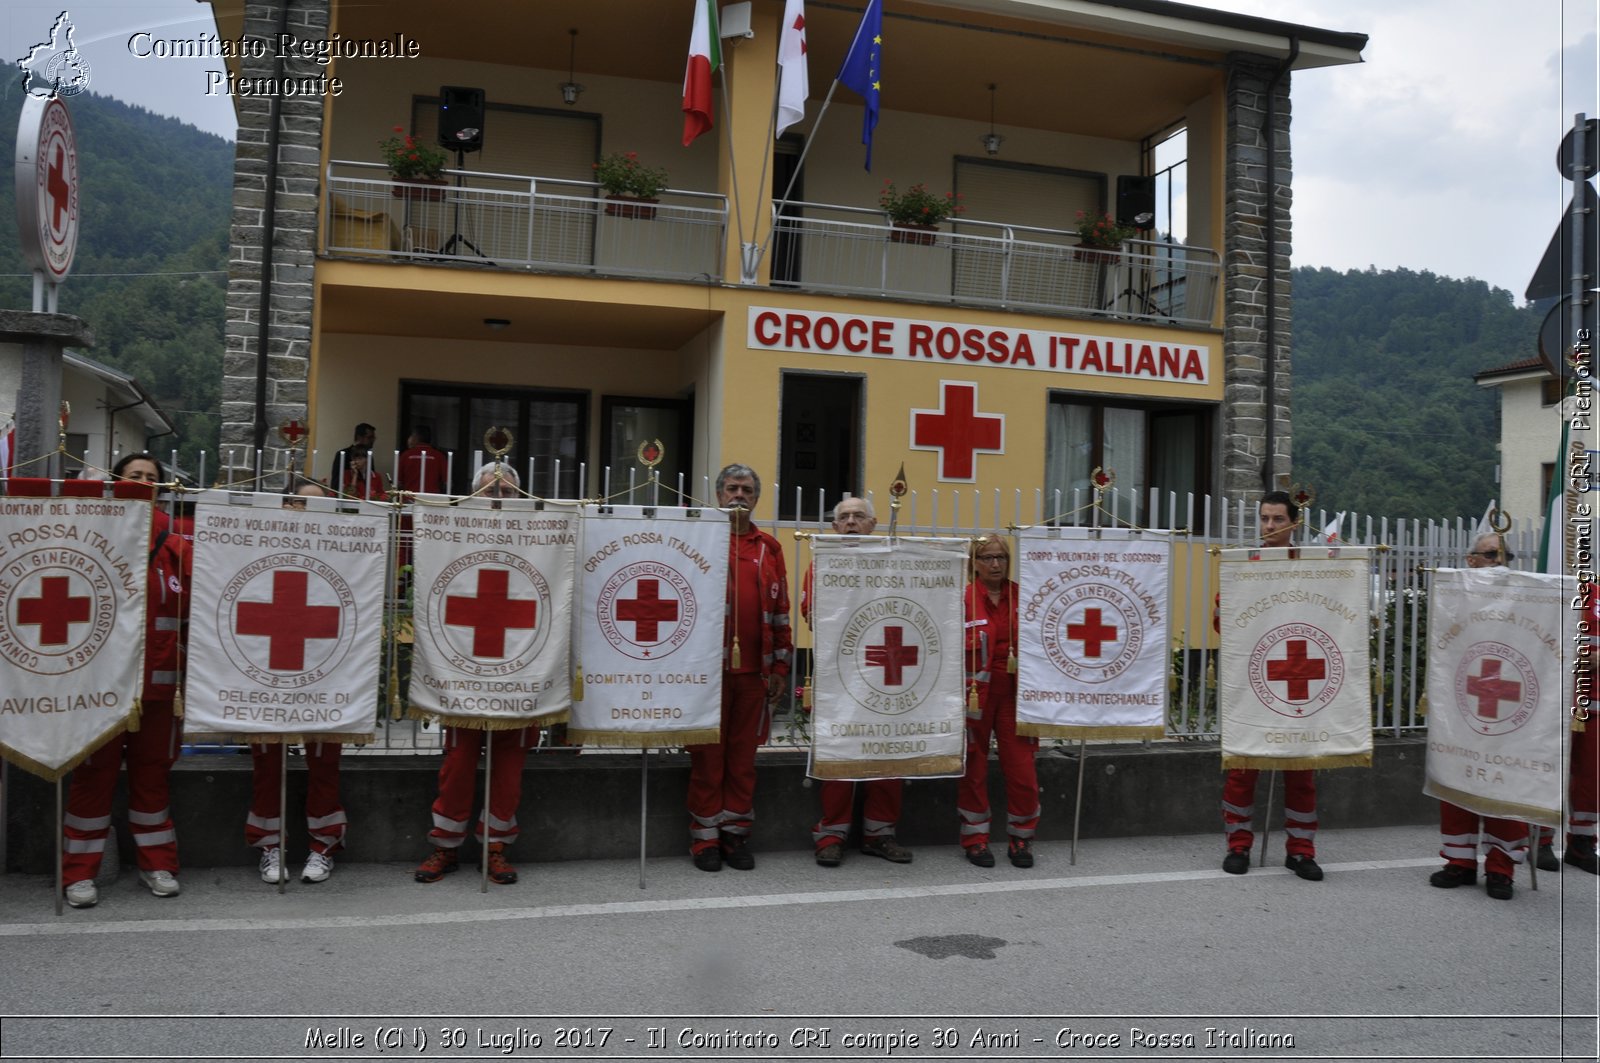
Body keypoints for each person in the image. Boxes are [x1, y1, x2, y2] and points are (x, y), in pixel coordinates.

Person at [62, 453, 189, 908]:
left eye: (151, 478)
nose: (143, 482)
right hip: (102, 688)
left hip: (158, 693)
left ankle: (158, 864)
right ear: (117, 483)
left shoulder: (177, 547)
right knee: (91, 778)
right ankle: (78, 874)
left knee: (152, 780)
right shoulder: (92, 538)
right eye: (134, 475)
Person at [414, 463, 532, 885]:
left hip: (520, 669)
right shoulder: (453, 540)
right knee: (459, 764)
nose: (498, 497)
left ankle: (496, 847)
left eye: (508, 491)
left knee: (509, 770)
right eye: (489, 491)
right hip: (463, 672)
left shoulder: (540, 541)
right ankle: (444, 847)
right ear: (472, 497)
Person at [686, 463, 792, 871]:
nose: (739, 496)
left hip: (755, 674)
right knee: (708, 759)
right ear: (717, 495)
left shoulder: (770, 548)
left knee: (743, 760)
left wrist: (782, 668)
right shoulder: (699, 540)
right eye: (731, 488)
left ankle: (734, 834)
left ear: (756, 497)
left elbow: (782, 612)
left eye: (747, 490)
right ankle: (704, 839)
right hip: (707, 676)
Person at [800, 497, 912, 867]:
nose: (850, 523)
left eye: (858, 517)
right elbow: (812, 615)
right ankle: (832, 834)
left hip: (887, 670)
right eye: (843, 517)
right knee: (839, 757)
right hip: (840, 677)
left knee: (887, 755)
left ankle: (880, 834)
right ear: (834, 528)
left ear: (874, 524)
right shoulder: (821, 565)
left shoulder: (895, 562)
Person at [247, 479, 348, 885]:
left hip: (324, 668)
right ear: (285, 505)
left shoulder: (343, 551)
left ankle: (323, 846)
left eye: (318, 505)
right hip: (266, 667)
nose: (307, 511)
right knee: (267, 765)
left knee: (325, 764)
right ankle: (269, 845)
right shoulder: (255, 543)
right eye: (300, 502)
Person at [1221, 490, 1323, 881]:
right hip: (1253, 681)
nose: (1268, 527)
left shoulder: (1315, 567)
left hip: (1299, 678)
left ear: (1294, 522)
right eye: (1264, 519)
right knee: (1243, 766)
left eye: (1278, 519)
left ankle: (1301, 850)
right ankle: (1238, 845)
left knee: (1300, 770)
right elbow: (1221, 620)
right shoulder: (1244, 565)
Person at [1429, 532, 1532, 899]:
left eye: (1504, 556)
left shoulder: (1525, 596)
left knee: (1504, 782)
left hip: (1506, 704)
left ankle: (1501, 868)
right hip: (1463, 702)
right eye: (1490, 555)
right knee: (1457, 777)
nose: (1498, 562)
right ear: (1471, 559)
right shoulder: (1455, 595)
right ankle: (1459, 862)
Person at [959, 532, 1040, 868]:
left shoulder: (1026, 597)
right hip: (974, 699)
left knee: (1022, 771)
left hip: (1016, 699)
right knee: (973, 771)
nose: (995, 564)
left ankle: (1021, 837)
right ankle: (975, 838)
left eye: (1001, 557)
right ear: (974, 563)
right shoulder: (962, 598)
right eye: (987, 558)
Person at [1534, 581, 1599, 876]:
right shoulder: (1557, 590)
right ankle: (1541, 839)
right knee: (1550, 772)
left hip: (1596, 705)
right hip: (1556, 701)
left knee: (1591, 780)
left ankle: (1581, 843)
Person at [397, 426, 448, 495]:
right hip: (432, 499)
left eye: (410, 436)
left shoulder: (406, 455)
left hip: (410, 497)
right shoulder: (439, 456)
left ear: (415, 437)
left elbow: (399, 482)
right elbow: (446, 482)